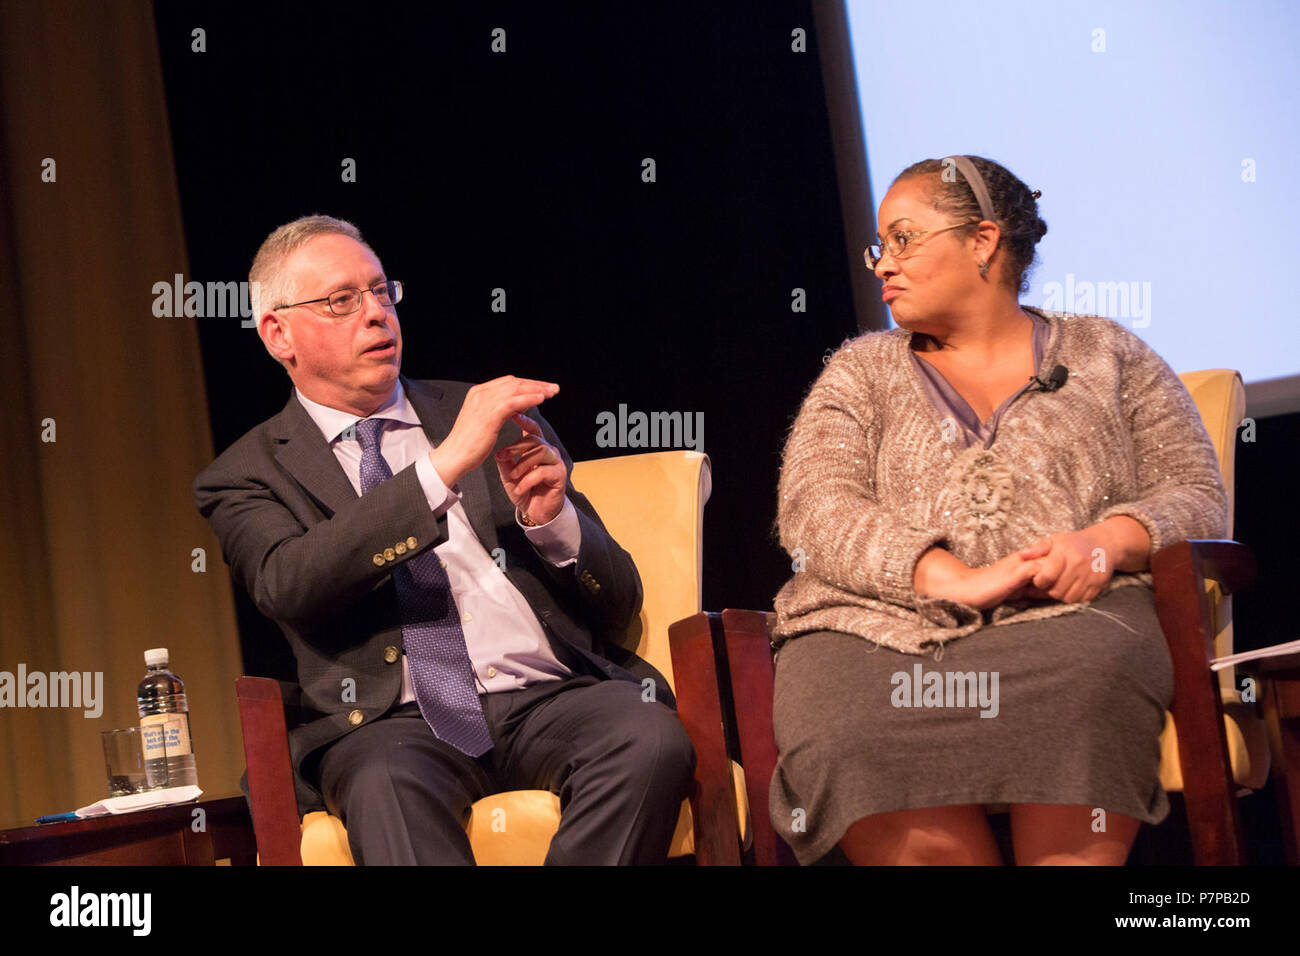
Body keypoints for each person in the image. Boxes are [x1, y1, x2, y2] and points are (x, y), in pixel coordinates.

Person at [768, 156, 1228, 866]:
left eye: (904, 239)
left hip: (1070, 623)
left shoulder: (1112, 356)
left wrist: (1106, 542)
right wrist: (942, 575)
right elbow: (814, 507)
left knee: (1087, 687)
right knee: (844, 727)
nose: (883, 265)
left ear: (982, 241)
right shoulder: (861, 372)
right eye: (879, 247)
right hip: (873, 631)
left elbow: (1197, 495)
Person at [193, 215, 694, 865]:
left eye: (381, 292)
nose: (376, 315)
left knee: (648, 739)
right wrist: (442, 467)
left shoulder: (492, 413)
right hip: (390, 728)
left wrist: (553, 523)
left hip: (548, 696)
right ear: (277, 333)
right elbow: (290, 583)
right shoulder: (245, 474)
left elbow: (619, 601)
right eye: (342, 300)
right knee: (384, 786)